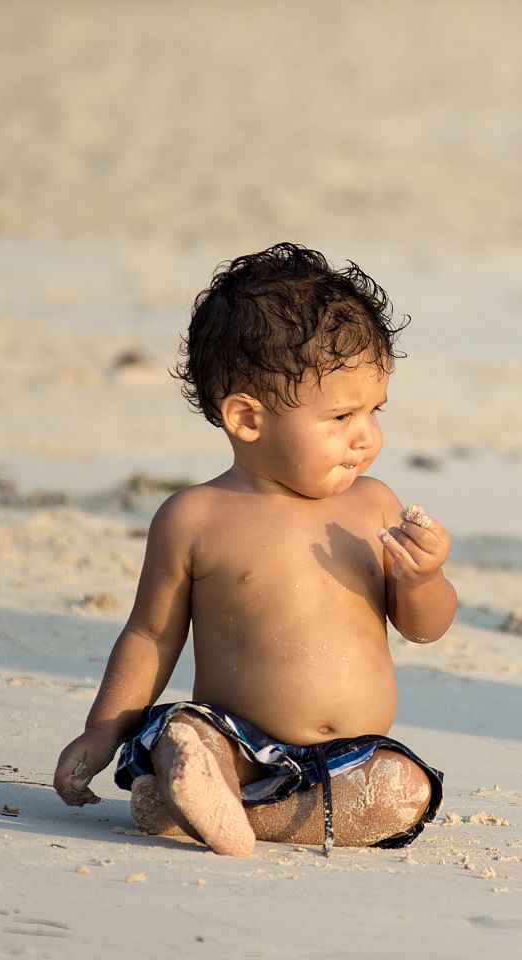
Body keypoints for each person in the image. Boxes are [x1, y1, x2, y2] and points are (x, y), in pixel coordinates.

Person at [53, 243, 457, 856]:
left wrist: (424, 579)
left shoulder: (372, 505)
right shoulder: (196, 518)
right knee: (185, 733)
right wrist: (101, 731)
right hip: (234, 739)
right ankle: (200, 777)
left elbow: (423, 628)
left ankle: (219, 812)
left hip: (343, 757)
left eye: (375, 410)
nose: (368, 436)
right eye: (342, 415)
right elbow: (151, 636)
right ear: (247, 418)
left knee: (405, 788)